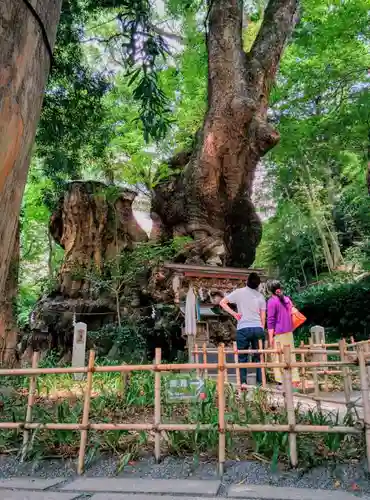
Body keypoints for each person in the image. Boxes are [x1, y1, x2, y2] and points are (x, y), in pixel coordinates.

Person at [219, 272, 266, 390]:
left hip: (243, 328)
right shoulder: (261, 297)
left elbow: (222, 302)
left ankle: (243, 383)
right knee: (259, 357)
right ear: (258, 285)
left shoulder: (239, 292)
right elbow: (263, 317)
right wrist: (261, 328)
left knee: (242, 356)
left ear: (247, 281)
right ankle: (260, 384)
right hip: (257, 328)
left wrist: (234, 314)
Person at [267, 280, 300, 387]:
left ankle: (281, 382)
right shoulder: (287, 299)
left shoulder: (272, 301)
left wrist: (270, 337)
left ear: (269, 290)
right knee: (291, 355)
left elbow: (271, 320)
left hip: (279, 333)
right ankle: (294, 380)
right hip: (289, 332)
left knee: (277, 357)